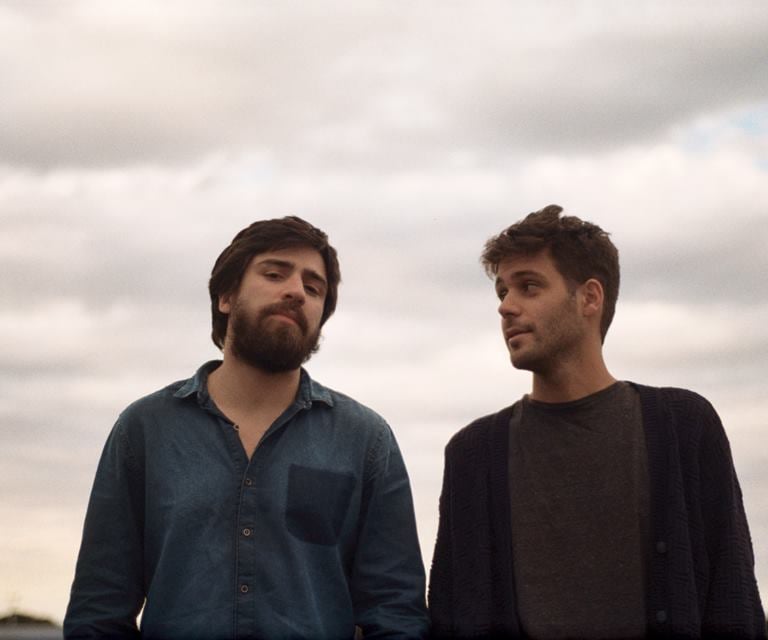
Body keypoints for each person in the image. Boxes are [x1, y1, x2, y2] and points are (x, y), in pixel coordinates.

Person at [65, 216, 429, 639]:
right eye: (274, 274)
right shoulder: (145, 430)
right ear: (226, 296)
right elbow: (99, 609)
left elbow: (396, 612)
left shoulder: (365, 440)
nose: (296, 291)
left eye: (314, 288)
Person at [429, 205, 765, 638]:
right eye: (502, 292)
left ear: (590, 297)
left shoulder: (684, 426)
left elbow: (734, 599)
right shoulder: (471, 456)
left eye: (528, 287)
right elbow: (450, 614)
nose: (507, 307)